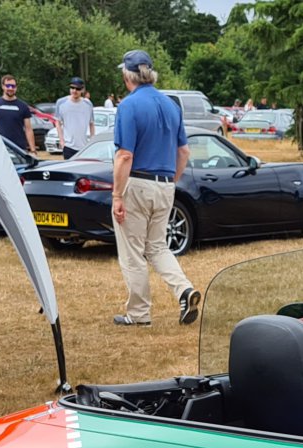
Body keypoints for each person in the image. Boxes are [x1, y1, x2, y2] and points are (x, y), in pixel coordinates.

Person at [110, 49, 201, 326]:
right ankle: (184, 289)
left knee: (133, 251)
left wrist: (116, 195)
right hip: (165, 184)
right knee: (158, 247)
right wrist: (171, 182)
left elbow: (125, 155)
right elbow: (183, 151)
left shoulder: (128, 106)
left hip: (136, 183)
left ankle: (139, 315)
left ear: (128, 75)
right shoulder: (171, 105)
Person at [0, 75, 35, 153]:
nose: (10, 88)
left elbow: (28, 129)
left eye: (13, 86)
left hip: (20, 149)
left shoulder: (23, 106)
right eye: (8, 86)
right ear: (3, 86)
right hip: (2, 147)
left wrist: (33, 150)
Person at [54, 76, 95, 159]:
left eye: (77, 89)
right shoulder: (61, 103)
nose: (74, 91)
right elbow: (57, 122)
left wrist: (92, 140)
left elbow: (92, 123)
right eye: (72, 88)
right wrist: (61, 140)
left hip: (84, 146)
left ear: (82, 90)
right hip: (68, 145)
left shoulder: (88, 104)